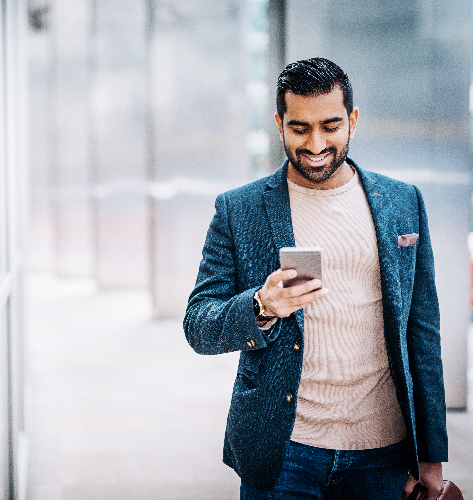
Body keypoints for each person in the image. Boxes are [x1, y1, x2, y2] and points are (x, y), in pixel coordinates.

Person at [183, 58, 448, 500]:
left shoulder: (402, 202)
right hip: (284, 450)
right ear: (279, 124)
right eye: (300, 128)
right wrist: (261, 305)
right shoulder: (239, 210)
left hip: (383, 450)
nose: (316, 143)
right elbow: (199, 325)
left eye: (331, 125)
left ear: (353, 120)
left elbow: (423, 332)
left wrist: (432, 455)